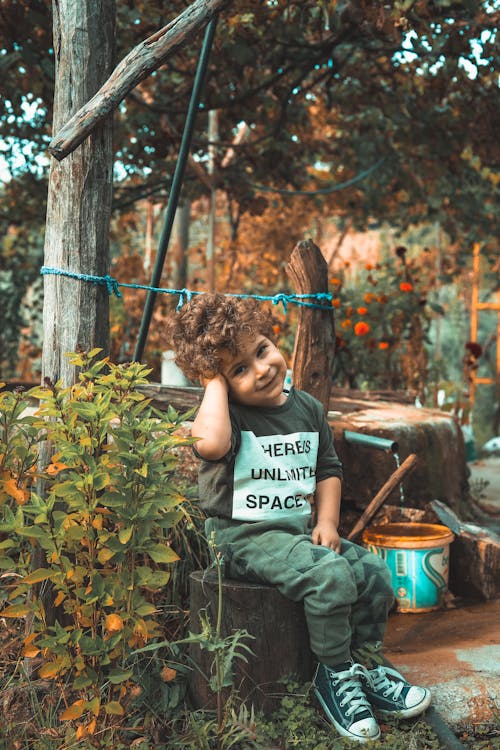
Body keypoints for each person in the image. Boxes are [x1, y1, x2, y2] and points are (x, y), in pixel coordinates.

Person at [169, 292, 431, 743]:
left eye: (262, 350)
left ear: (273, 339)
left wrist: (326, 524)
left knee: (370, 572)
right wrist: (213, 381)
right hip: (241, 540)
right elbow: (208, 445)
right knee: (329, 577)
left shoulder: (306, 408)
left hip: (294, 535)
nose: (262, 369)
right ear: (219, 383)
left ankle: (363, 666)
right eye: (238, 370)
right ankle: (333, 677)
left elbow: (328, 469)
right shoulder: (227, 416)